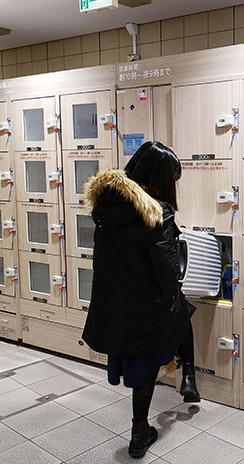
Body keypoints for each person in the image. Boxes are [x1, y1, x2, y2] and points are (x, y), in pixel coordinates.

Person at [82, 141, 200, 459]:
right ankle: (140, 431)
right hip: (146, 306)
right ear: (161, 179)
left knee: (145, 360)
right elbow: (166, 273)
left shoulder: (108, 205)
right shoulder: (154, 214)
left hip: (114, 303)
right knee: (178, 318)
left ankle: (186, 375)